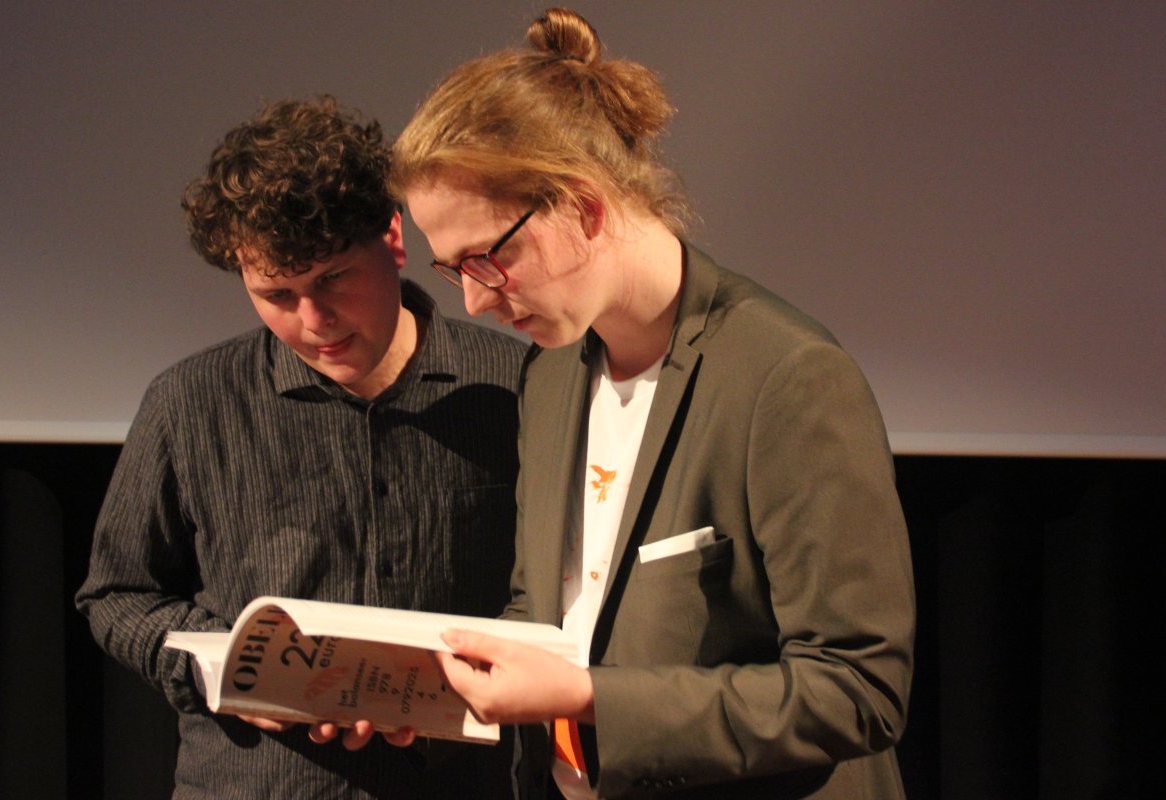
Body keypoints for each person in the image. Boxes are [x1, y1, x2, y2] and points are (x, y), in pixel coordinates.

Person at [380, 8, 916, 799]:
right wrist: (419, 694)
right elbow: (549, 607)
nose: (474, 301)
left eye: (487, 259)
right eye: (451, 269)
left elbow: (856, 691)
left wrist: (591, 699)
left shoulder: (786, 377)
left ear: (585, 209)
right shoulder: (552, 374)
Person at [75, 96, 527, 799]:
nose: (314, 320)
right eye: (277, 294)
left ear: (393, 236)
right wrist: (223, 671)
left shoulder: (518, 387)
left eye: (332, 279)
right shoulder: (189, 402)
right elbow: (117, 594)